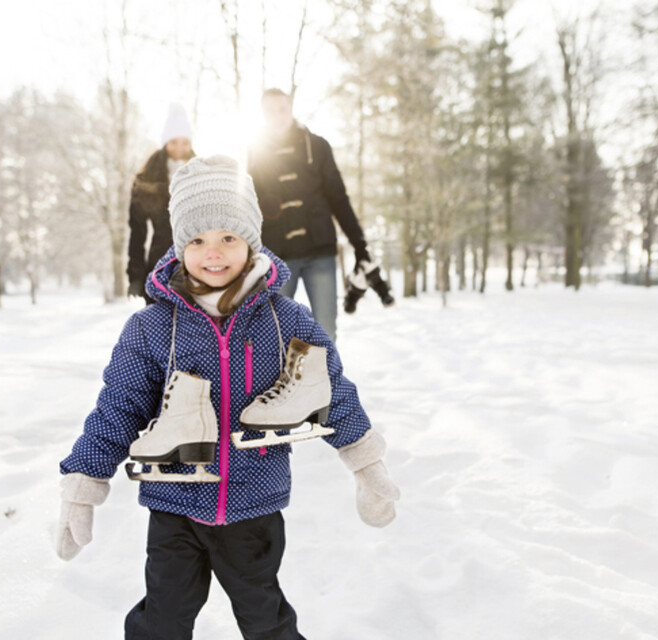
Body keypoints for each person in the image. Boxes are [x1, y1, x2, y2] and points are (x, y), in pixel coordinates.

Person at [56, 155, 400, 640]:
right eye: (196, 240)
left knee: (267, 620)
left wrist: (366, 463)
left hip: (253, 506)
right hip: (173, 505)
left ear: (251, 241)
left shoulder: (286, 319)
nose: (212, 253)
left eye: (228, 238)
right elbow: (118, 407)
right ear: (179, 247)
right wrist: (83, 485)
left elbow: (332, 390)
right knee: (162, 620)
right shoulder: (153, 327)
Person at [247, 88, 379, 342]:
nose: (277, 115)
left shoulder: (317, 146)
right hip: (278, 255)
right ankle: (281, 381)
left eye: (282, 108)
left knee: (326, 329)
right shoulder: (255, 151)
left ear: (291, 107)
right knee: (276, 332)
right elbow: (249, 203)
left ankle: (326, 381)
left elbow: (339, 198)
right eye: (270, 110)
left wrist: (359, 244)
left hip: (320, 250)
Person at [127, 102, 196, 303]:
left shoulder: (201, 172)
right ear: (166, 143)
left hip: (197, 265)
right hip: (160, 266)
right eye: (174, 142)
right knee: (161, 329)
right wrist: (136, 277)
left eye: (185, 142)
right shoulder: (148, 178)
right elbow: (137, 233)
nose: (180, 148)